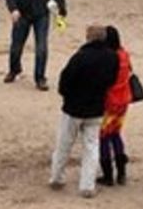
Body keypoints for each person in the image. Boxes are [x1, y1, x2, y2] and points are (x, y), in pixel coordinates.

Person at [48, 25, 119, 198]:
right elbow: (111, 80)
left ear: (88, 37)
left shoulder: (80, 57)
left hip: (73, 108)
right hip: (96, 108)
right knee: (92, 147)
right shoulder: (112, 58)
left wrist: (67, 96)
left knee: (64, 144)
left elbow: (65, 81)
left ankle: (57, 177)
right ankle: (87, 185)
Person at [97, 26, 132, 186]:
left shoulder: (109, 58)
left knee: (103, 137)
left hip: (110, 102)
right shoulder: (124, 55)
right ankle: (121, 172)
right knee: (115, 134)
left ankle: (108, 175)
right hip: (123, 101)